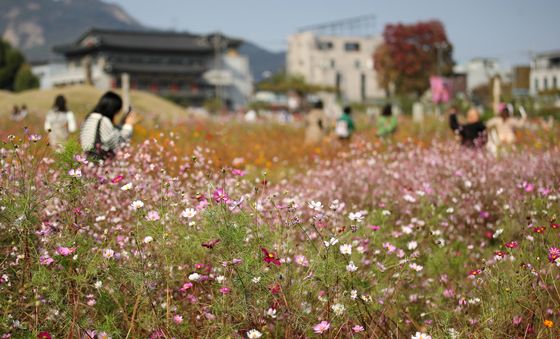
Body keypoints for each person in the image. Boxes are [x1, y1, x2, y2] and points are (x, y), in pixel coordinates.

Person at [80, 91, 140, 160]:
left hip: (88, 160)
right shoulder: (102, 120)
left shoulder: (90, 118)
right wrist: (128, 126)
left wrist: (122, 124)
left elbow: (107, 136)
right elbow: (118, 144)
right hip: (97, 163)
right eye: (117, 111)